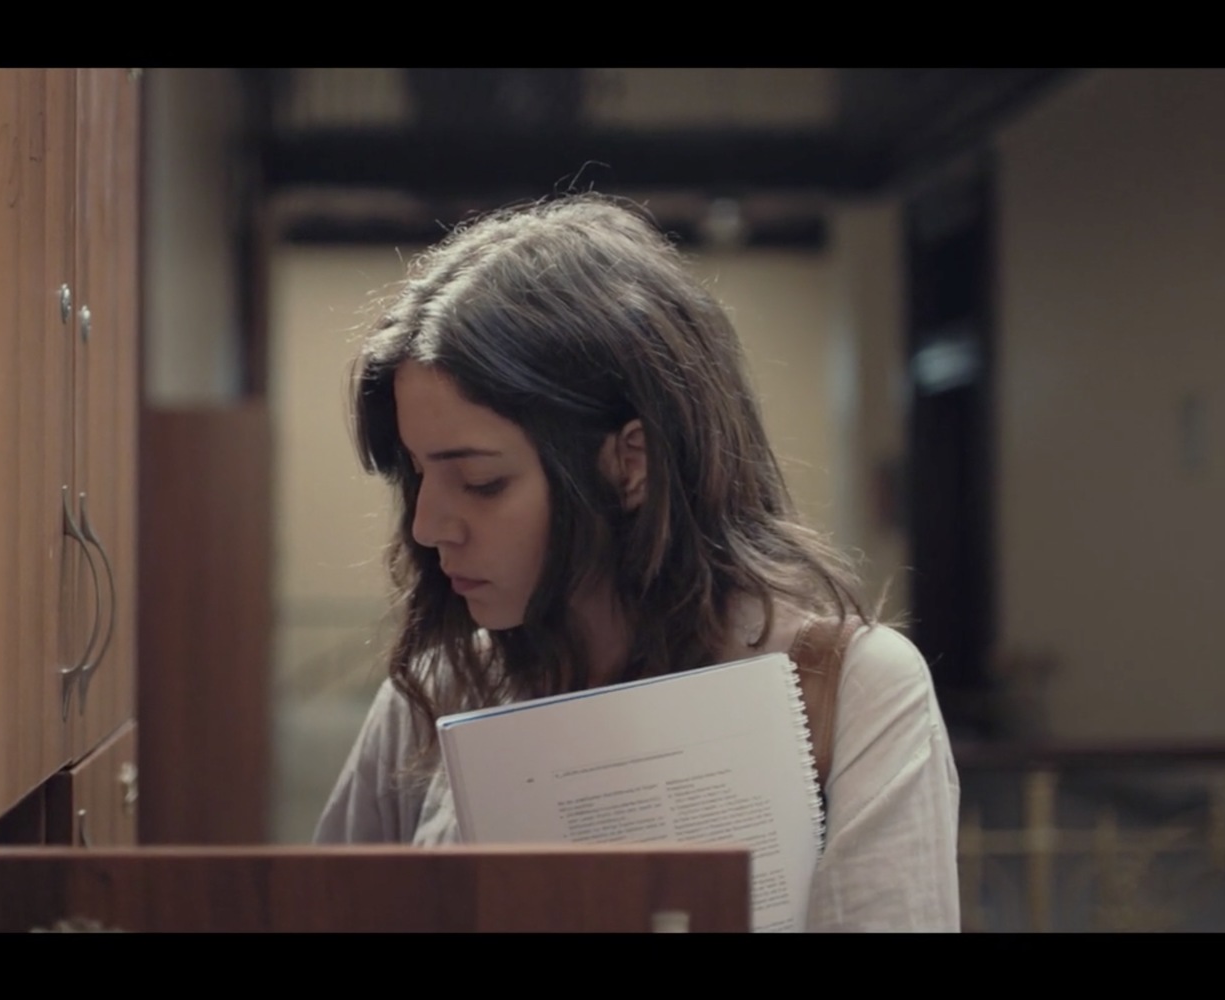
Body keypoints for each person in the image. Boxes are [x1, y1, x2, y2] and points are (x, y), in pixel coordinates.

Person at [312, 193, 960, 932]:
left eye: (483, 482)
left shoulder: (857, 688)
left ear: (632, 461)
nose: (428, 526)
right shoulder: (439, 690)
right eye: (419, 476)